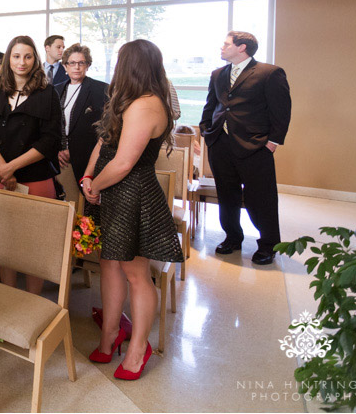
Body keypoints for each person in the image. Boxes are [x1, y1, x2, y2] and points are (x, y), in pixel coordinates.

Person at [81, 39, 182, 381]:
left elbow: (124, 163)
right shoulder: (126, 100)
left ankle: (139, 346)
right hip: (108, 188)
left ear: (132, 65)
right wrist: (89, 175)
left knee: (136, 274)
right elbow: (104, 143)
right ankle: (110, 333)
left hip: (132, 195)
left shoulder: (148, 105)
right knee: (108, 264)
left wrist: (96, 185)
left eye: (120, 61)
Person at [0, 35, 64, 297]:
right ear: (8, 59)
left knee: (33, 244)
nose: (21, 62)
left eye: (27, 56)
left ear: (35, 59)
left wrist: (12, 167)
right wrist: (3, 170)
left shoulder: (47, 93)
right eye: (16, 56)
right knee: (5, 241)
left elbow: (51, 140)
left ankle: (32, 299)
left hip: (35, 177)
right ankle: (8, 295)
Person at [200, 30, 291, 265]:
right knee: (226, 194)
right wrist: (205, 130)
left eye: (226, 44)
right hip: (220, 143)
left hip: (255, 146)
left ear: (242, 48)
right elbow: (212, 105)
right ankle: (232, 237)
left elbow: (281, 111)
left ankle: (268, 244)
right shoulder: (218, 74)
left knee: (261, 198)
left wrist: (271, 143)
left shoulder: (269, 73)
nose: (221, 47)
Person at [56, 43, 108, 184]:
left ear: (88, 65)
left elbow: (105, 129)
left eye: (81, 63)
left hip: (88, 159)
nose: (77, 67)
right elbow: (49, 124)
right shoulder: (55, 90)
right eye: (72, 63)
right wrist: (58, 150)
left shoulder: (102, 90)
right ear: (65, 66)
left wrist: (74, 150)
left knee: (87, 203)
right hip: (58, 159)